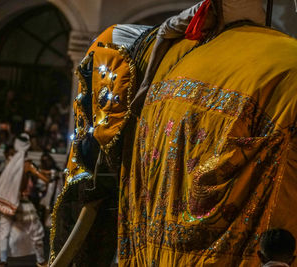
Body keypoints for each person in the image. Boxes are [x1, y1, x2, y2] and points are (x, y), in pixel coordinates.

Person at [51, 0, 297, 266]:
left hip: (214, 30)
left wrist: (145, 86)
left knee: (165, 31)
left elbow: (168, 30)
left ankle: (146, 86)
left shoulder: (201, 14)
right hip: (257, 31)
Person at [0, 133, 49, 267]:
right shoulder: (27, 164)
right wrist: (51, 177)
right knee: (35, 231)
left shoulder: (11, 162)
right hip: (22, 203)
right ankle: (41, 261)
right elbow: (45, 179)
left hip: (7, 202)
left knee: (3, 231)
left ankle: (3, 261)